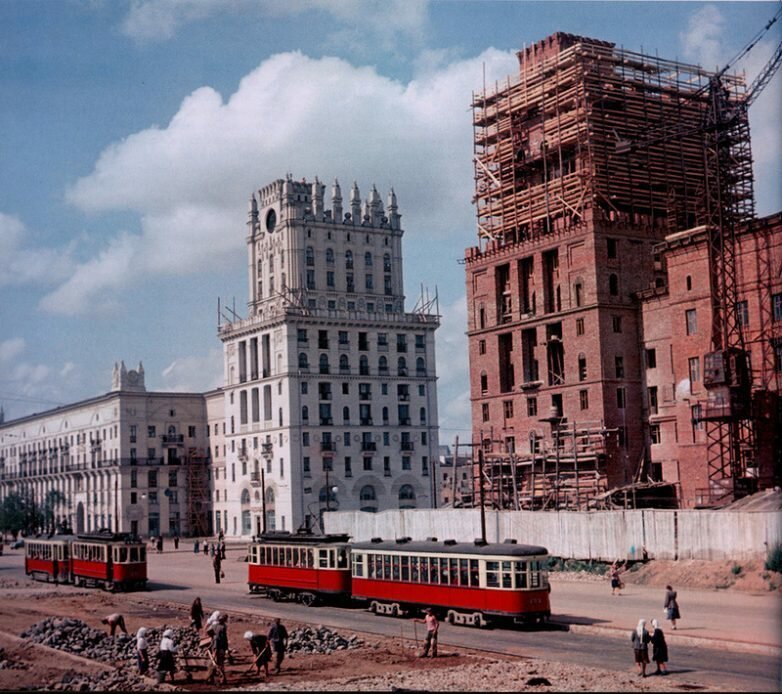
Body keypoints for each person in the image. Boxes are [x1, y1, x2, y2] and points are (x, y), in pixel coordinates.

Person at [206, 613, 229, 684]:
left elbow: (216, 641)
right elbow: (223, 639)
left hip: (218, 649)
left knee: (213, 664)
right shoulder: (222, 627)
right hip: (220, 648)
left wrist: (214, 652)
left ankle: (213, 679)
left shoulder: (216, 628)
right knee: (219, 664)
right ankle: (220, 679)